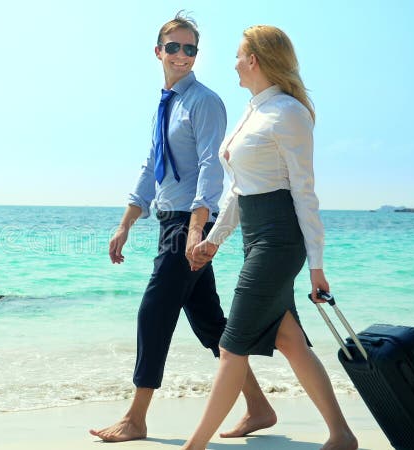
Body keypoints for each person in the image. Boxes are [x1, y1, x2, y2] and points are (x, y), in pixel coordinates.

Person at [89, 13, 276, 443]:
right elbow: (150, 167)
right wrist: (125, 224)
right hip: (169, 220)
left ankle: (136, 417)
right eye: (173, 47)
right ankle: (259, 407)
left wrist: (197, 230)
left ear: (196, 55)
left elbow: (213, 168)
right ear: (158, 51)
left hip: (189, 223)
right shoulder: (167, 104)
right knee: (209, 321)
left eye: (190, 49)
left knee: (153, 311)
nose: (181, 55)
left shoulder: (204, 102)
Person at [179, 25, 359, 450]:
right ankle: (342, 434)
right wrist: (216, 239)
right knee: (288, 338)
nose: (234, 63)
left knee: (231, 346)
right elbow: (241, 189)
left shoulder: (288, 113)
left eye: (239, 55)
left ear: (255, 60)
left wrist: (317, 265)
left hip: (279, 241)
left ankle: (194, 446)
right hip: (256, 237)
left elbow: (304, 192)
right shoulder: (254, 110)